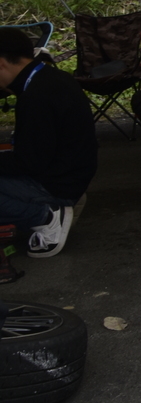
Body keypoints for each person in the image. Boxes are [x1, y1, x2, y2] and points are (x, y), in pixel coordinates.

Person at [0, 28, 97, 258]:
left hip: (58, 184)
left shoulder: (36, 97)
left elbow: (29, 163)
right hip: (71, 175)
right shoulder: (50, 78)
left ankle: (45, 216)